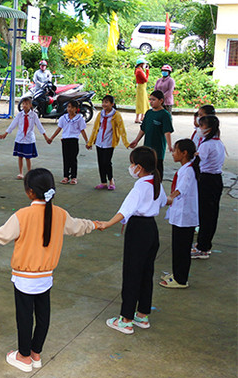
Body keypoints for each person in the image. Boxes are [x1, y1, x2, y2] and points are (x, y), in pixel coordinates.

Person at [0, 168, 96, 373]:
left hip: (24, 277)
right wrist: (96, 224)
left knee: (24, 317)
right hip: (45, 276)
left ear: (30, 192)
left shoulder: (23, 215)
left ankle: (23, 356)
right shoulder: (60, 214)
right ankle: (36, 353)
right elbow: (78, 227)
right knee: (42, 315)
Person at [96, 146, 166, 335]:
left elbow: (124, 210)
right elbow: (163, 201)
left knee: (132, 273)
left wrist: (107, 224)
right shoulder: (156, 180)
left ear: (140, 167)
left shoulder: (141, 185)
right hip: (151, 229)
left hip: (138, 231)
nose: (131, 167)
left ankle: (126, 319)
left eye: (132, 164)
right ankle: (142, 315)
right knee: (146, 273)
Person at [160, 139, 199, 288]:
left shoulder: (188, 170)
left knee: (182, 248)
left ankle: (181, 279)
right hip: (180, 214)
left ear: (184, 153)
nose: (173, 153)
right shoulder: (186, 168)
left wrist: (170, 198)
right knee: (177, 247)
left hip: (185, 215)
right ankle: (176, 274)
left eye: (176, 150)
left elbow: (181, 189)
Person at [191, 115, 226, 259]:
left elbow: (197, 162)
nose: (199, 129)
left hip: (207, 181)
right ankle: (205, 245)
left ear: (209, 129)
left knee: (206, 215)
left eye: (201, 126)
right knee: (211, 215)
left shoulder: (207, 144)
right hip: (216, 180)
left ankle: (203, 247)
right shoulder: (218, 143)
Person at [0, 97, 49, 180]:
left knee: (28, 157)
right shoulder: (19, 114)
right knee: (20, 156)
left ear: (30, 105)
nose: (24, 106)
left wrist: (45, 136)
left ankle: (29, 173)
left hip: (29, 138)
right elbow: (13, 124)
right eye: (23, 104)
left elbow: (39, 126)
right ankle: (21, 173)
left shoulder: (34, 115)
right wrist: (6, 133)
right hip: (20, 138)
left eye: (26, 104)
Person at [86, 95, 129, 191]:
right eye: (103, 102)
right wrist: (90, 142)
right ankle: (103, 182)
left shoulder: (116, 115)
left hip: (109, 142)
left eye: (107, 102)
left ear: (112, 104)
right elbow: (95, 129)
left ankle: (111, 180)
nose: (104, 104)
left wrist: (126, 142)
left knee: (107, 162)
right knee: (101, 162)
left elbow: (122, 129)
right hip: (99, 142)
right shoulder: (100, 114)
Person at [129, 90, 173, 175]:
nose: (151, 102)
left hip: (158, 149)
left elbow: (167, 132)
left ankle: (157, 186)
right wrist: (136, 140)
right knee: (147, 170)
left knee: (157, 171)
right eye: (150, 100)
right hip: (147, 148)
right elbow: (143, 129)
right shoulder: (149, 113)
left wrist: (170, 145)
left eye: (154, 100)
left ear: (161, 101)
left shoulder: (165, 115)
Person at [47, 100, 88, 185]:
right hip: (65, 140)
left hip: (74, 140)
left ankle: (73, 177)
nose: (70, 109)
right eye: (69, 107)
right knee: (66, 158)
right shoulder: (63, 118)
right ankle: (66, 176)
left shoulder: (79, 119)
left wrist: (87, 141)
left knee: (73, 159)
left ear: (76, 109)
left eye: (72, 107)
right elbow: (59, 129)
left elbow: (82, 131)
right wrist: (51, 138)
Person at [133, 58, 150, 123]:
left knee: (144, 102)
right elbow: (145, 79)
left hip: (142, 87)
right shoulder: (139, 71)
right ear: (141, 64)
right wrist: (147, 71)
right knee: (141, 102)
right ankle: (137, 118)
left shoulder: (140, 70)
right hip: (141, 87)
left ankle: (142, 116)